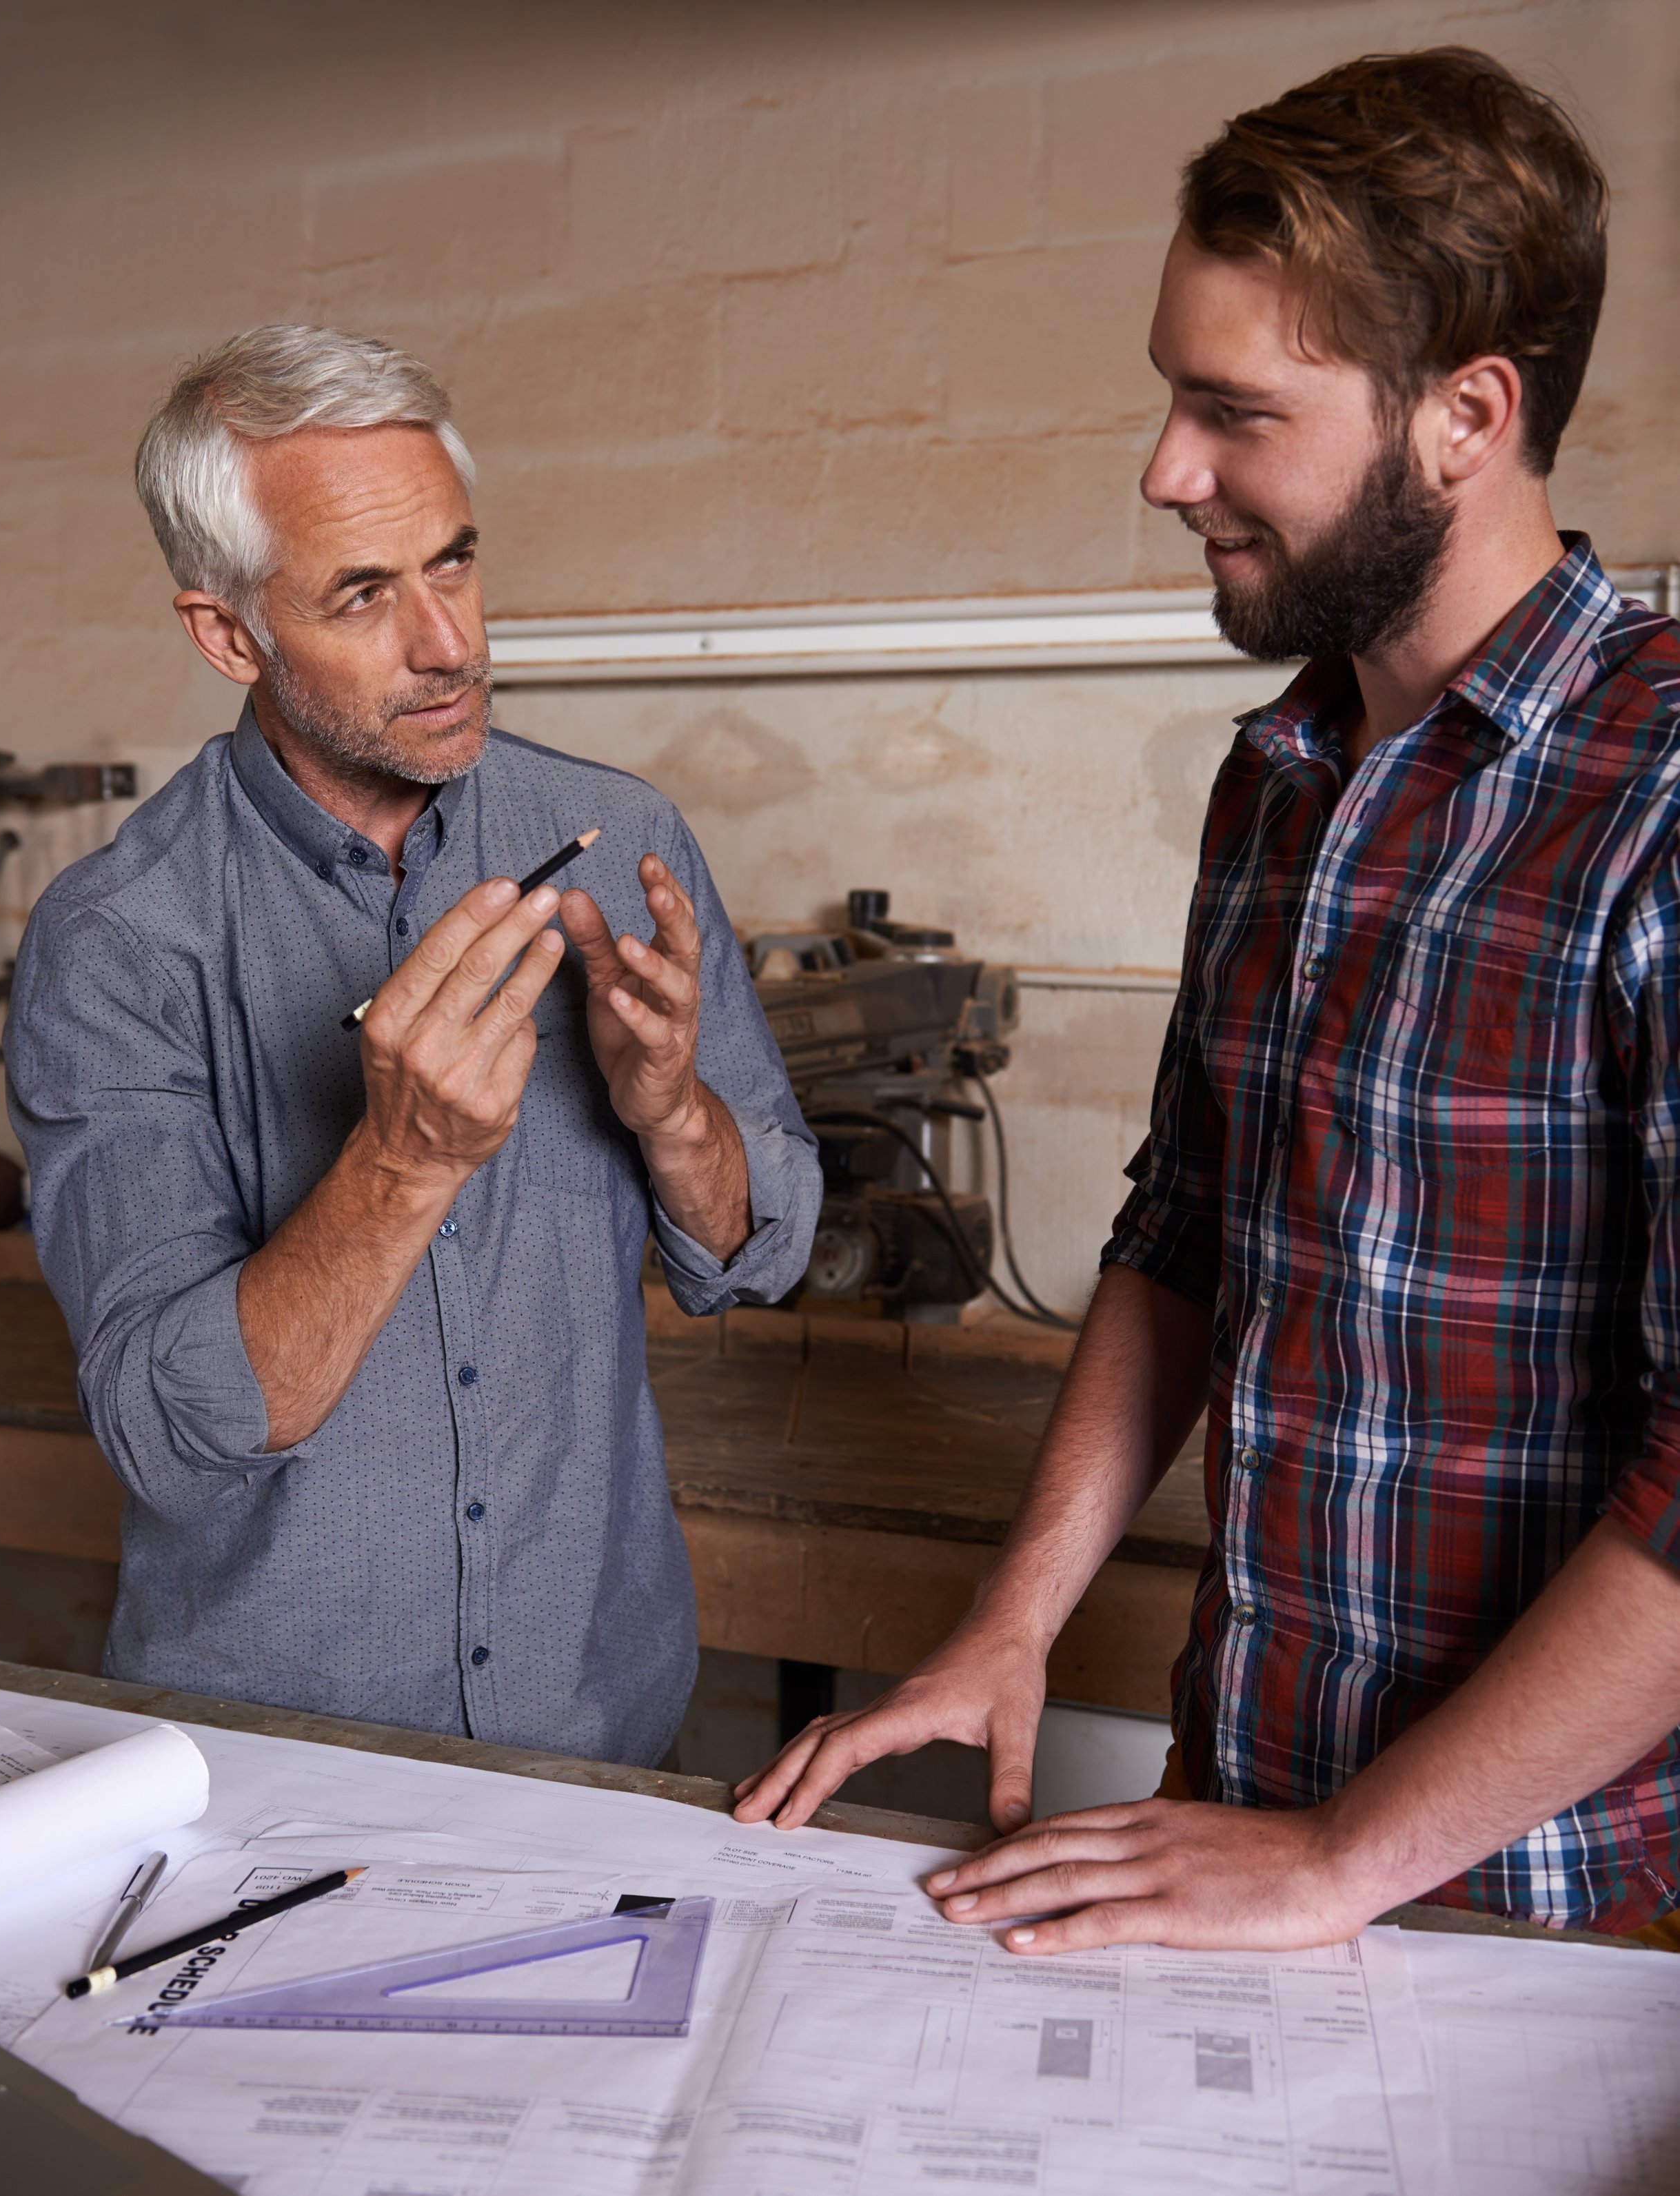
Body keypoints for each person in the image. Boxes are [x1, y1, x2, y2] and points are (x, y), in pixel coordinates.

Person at [735, 48, 1680, 1951]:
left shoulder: (1658, 796)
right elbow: (1180, 1235)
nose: (1166, 469)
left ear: (1462, 417)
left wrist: (1345, 1860)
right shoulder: (1282, 774)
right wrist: (1012, 1626)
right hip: (1238, 1821)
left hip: (1560, 1913)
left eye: (1229, 411)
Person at [6, 325, 820, 1766]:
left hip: (600, 1726)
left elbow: (759, 1253)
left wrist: (669, 1109)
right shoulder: (118, 939)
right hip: (265, 1754)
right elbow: (175, 1437)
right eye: (363, 594)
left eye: (452, 560)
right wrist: (402, 1161)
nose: (447, 643)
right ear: (227, 633)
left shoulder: (622, 839)